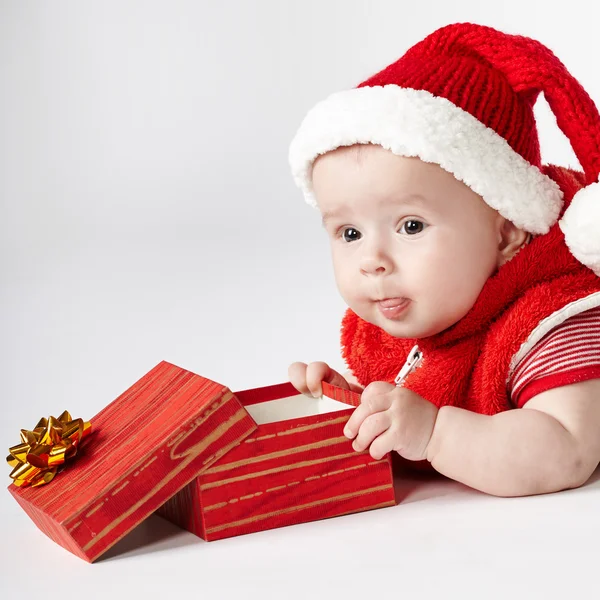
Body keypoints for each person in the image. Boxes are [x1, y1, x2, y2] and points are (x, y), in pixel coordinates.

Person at [286, 22, 600, 497]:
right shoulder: (415, 308)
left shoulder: (552, 321)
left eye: (411, 226)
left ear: (507, 234)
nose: (372, 260)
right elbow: (420, 389)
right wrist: (355, 402)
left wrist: (433, 434)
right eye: (349, 233)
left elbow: (567, 449)